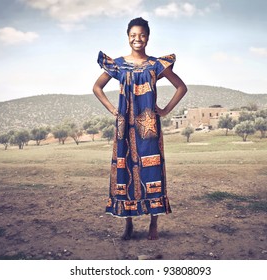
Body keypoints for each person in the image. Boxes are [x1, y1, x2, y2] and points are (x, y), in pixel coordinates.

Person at [93, 17, 187, 240]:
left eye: (142, 35)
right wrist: (112, 109)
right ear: (128, 38)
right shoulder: (117, 64)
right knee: (124, 172)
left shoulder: (156, 65)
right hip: (124, 127)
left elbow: (181, 87)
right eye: (133, 35)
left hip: (149, 128)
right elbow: (97, 87)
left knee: (152, 170)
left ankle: (154, 224)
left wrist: (163, 110)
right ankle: (128, 224)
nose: (138, 39)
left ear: (148, 37)